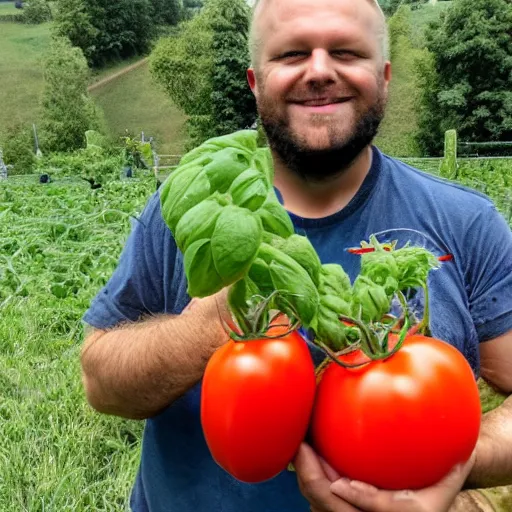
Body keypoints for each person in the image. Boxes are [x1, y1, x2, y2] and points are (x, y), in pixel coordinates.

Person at [81, 0, 512, 510]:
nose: (320, 70)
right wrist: (213, 323)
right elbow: (101, 382)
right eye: (291, 54)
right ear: (255, 82)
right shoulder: (200, 208)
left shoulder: (465, 221)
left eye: (347, 52)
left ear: (386, 76)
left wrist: (455, 463)